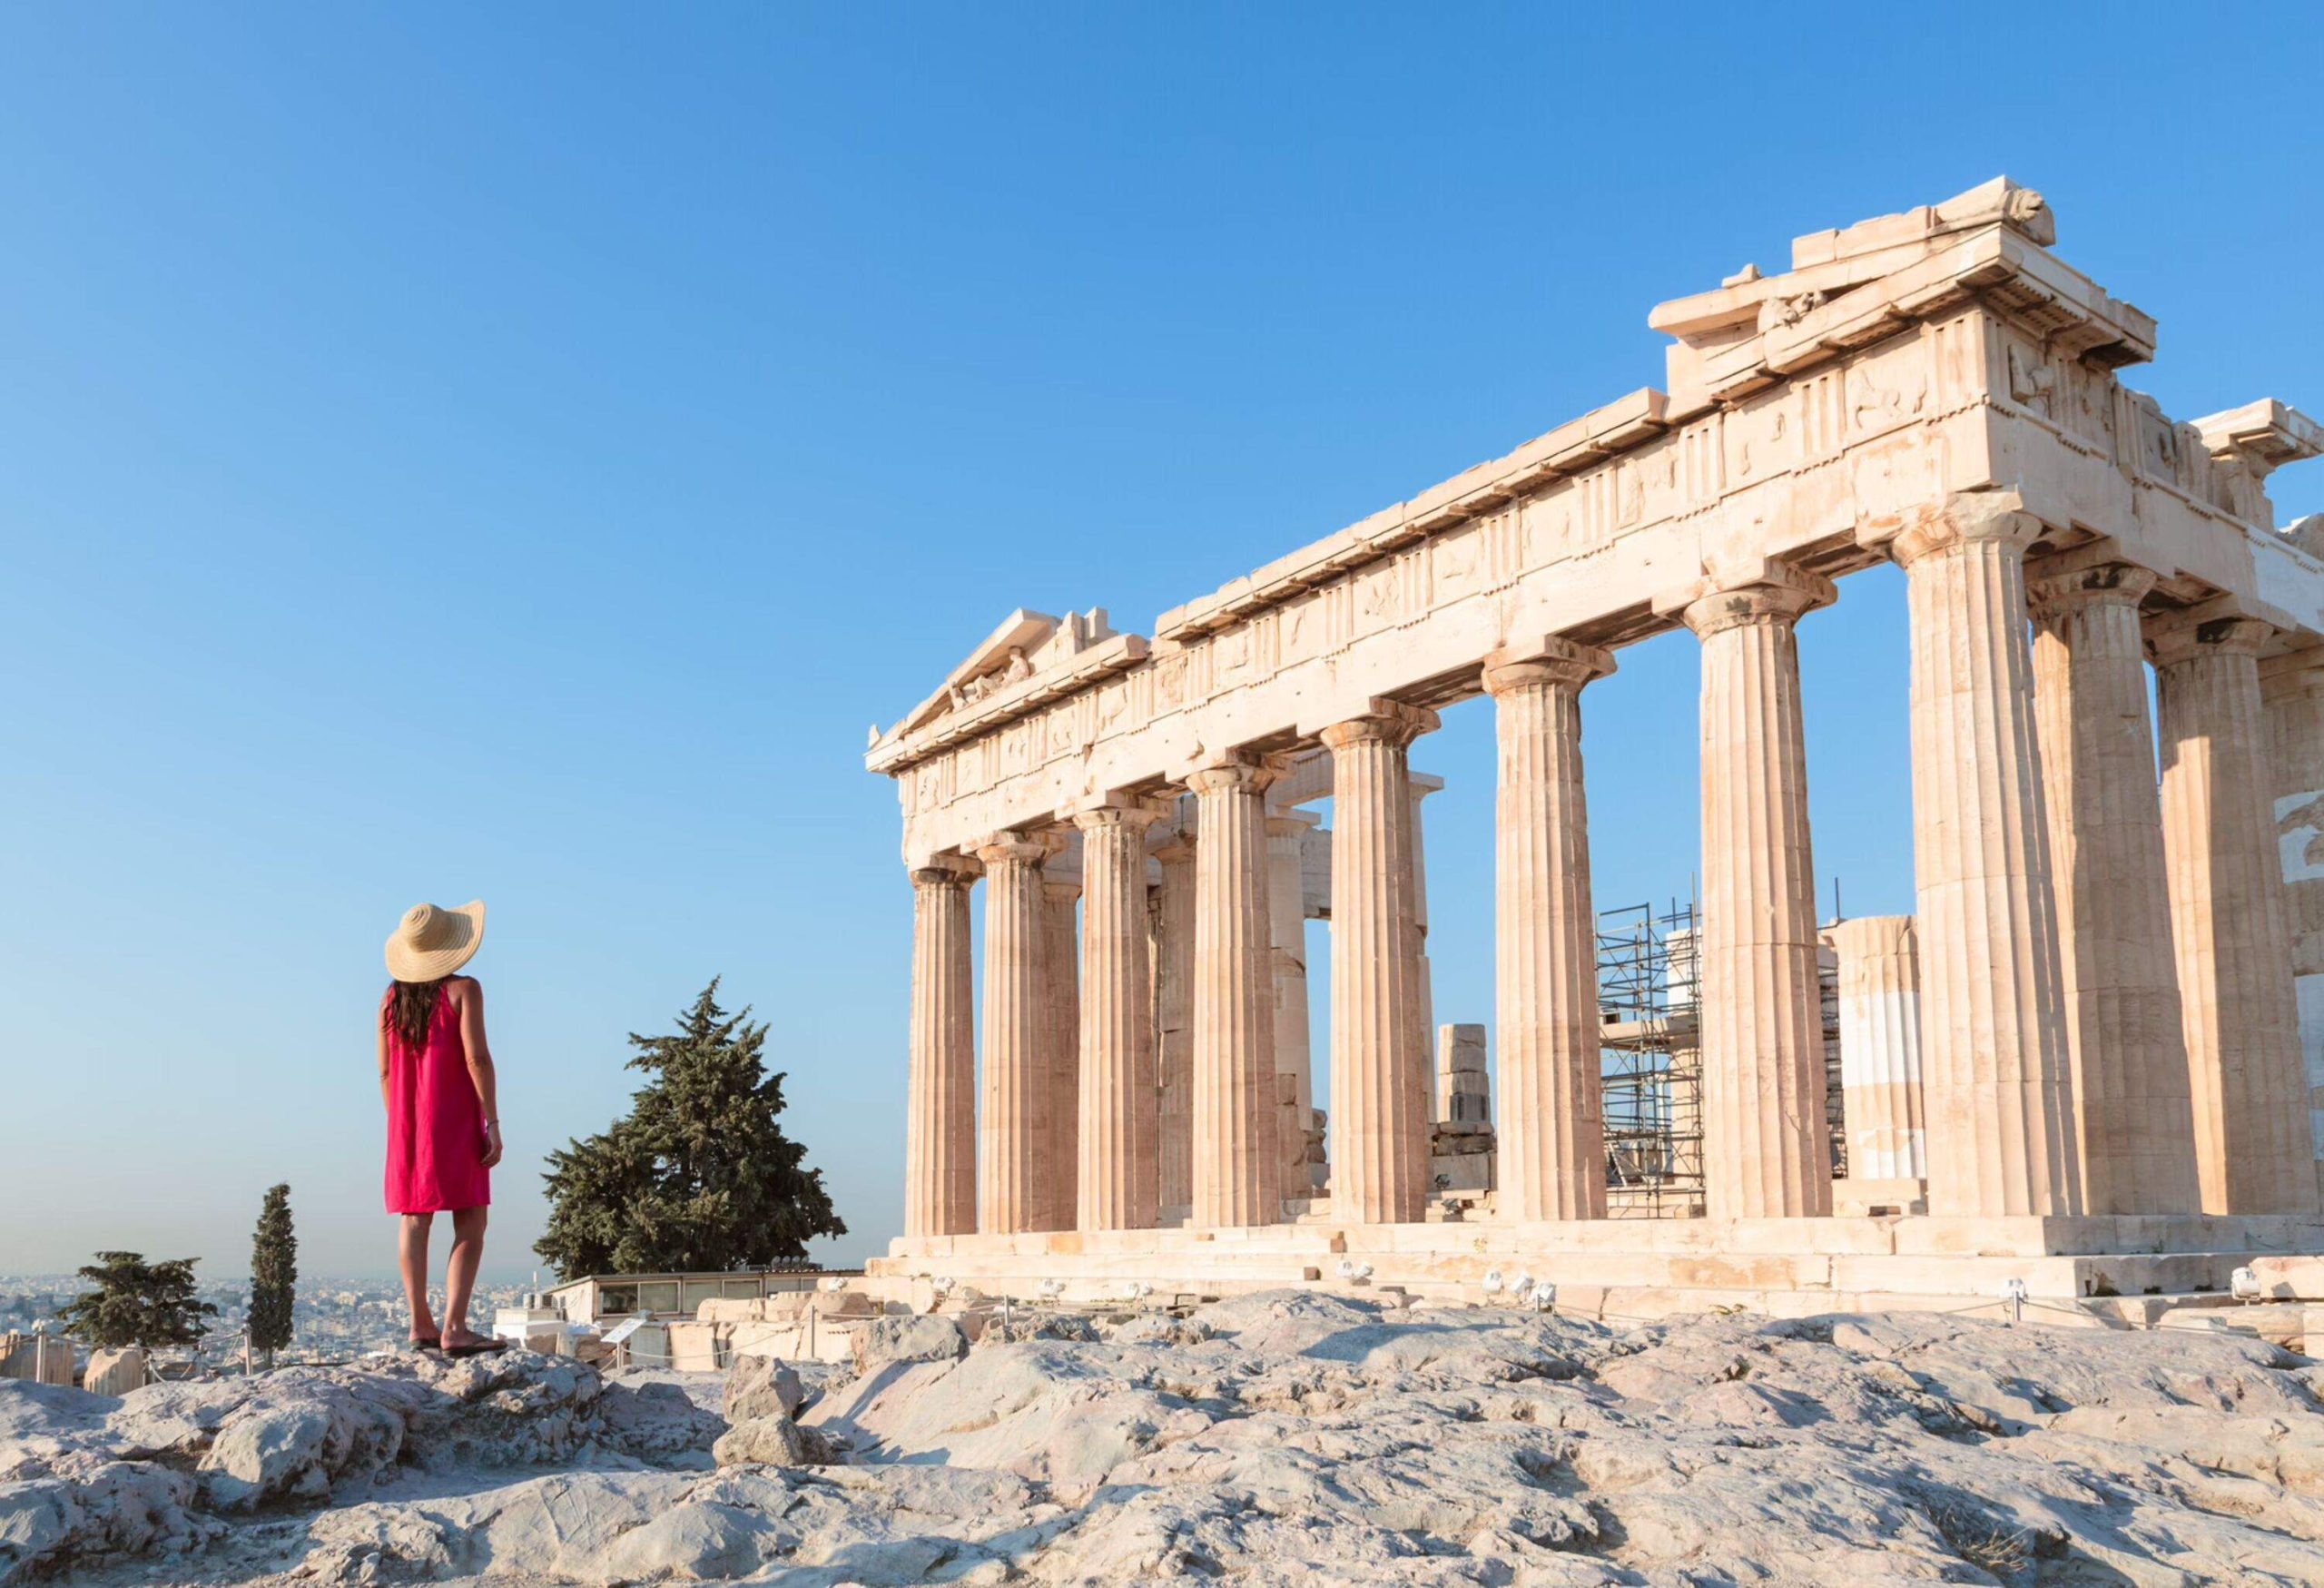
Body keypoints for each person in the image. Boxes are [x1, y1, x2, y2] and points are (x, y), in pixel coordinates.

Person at [379, 900, 506, 1356]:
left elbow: (386, 1075)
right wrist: (491, 1120)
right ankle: (454, 1327)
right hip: (453, 1120)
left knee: (415, 1221)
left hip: (406, 1125)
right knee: (471, 1219)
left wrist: (402, 1125)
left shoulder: (391, 1000)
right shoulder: (464, 990)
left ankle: (420, 1324)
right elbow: (477, 1059)